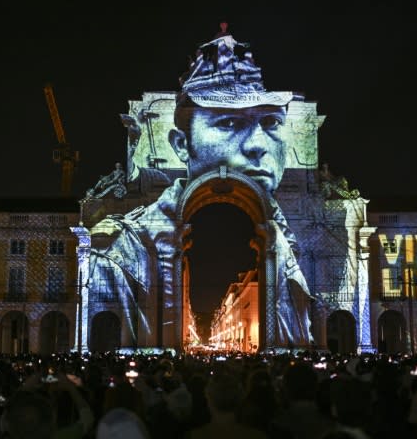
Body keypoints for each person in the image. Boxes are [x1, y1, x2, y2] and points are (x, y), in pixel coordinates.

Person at [88, 28, 314, 347]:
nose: (258, 144)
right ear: (181, 144)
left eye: (271, 122)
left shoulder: (282, 229)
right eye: (228, 124)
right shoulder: (123, 247)